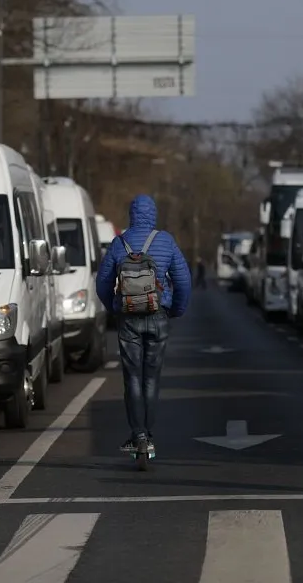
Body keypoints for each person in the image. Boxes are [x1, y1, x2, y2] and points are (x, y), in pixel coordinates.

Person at [95, 194, 191, 454]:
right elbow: (183, 281)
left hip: (128, 318)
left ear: (132, 215)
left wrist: (114, 307)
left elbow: (102, 283)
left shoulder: (119, 243)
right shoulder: (166, 241)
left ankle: (137, 434)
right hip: (158, 315)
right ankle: (148, 435)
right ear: (153, 215)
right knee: (151, 377)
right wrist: (176, 309)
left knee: (132, 377)